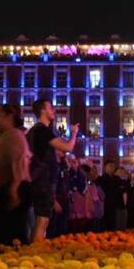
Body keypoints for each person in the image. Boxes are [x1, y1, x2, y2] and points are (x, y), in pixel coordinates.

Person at [26, 99, 78, 242]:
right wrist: (74, 133)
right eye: (50, 108)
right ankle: (35, 254)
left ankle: (32, 251)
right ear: (42, 110)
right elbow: (67, 147)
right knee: (42, 221)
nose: (53, 110)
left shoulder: (34, 131)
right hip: (44, 181)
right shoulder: (42, 130)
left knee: (38, 222)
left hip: (37, 179)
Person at [0, 104, 31, 247]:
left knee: (9, 235)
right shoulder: (5, 136)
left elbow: (19, 161)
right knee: (4, 234)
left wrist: (14, 189)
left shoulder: (13, 135)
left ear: (9, 116)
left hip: (10, 192)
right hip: (3, 192)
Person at [97, 161, 129, 231]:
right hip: (106, 205)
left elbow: (125, 186)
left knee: (114, 225)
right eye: (110, 166)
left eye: (113, 166)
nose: (112, 168)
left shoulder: (117, 179)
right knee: (106, 225)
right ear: (105, 167)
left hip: (115, 206)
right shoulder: (103, 179)